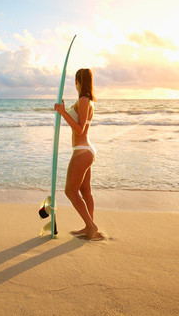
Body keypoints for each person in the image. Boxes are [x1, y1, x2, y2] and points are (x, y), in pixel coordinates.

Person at [54, 68, 102, 240]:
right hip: (86, 150)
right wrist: (65, 111)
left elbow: (80, 129)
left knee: (70, 191)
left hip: (82, 152)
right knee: (85, 190)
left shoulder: (83, 100)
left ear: (78, 82)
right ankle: (88, 226)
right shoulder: (88, 101)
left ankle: (91, 225)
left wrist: (63, 112)